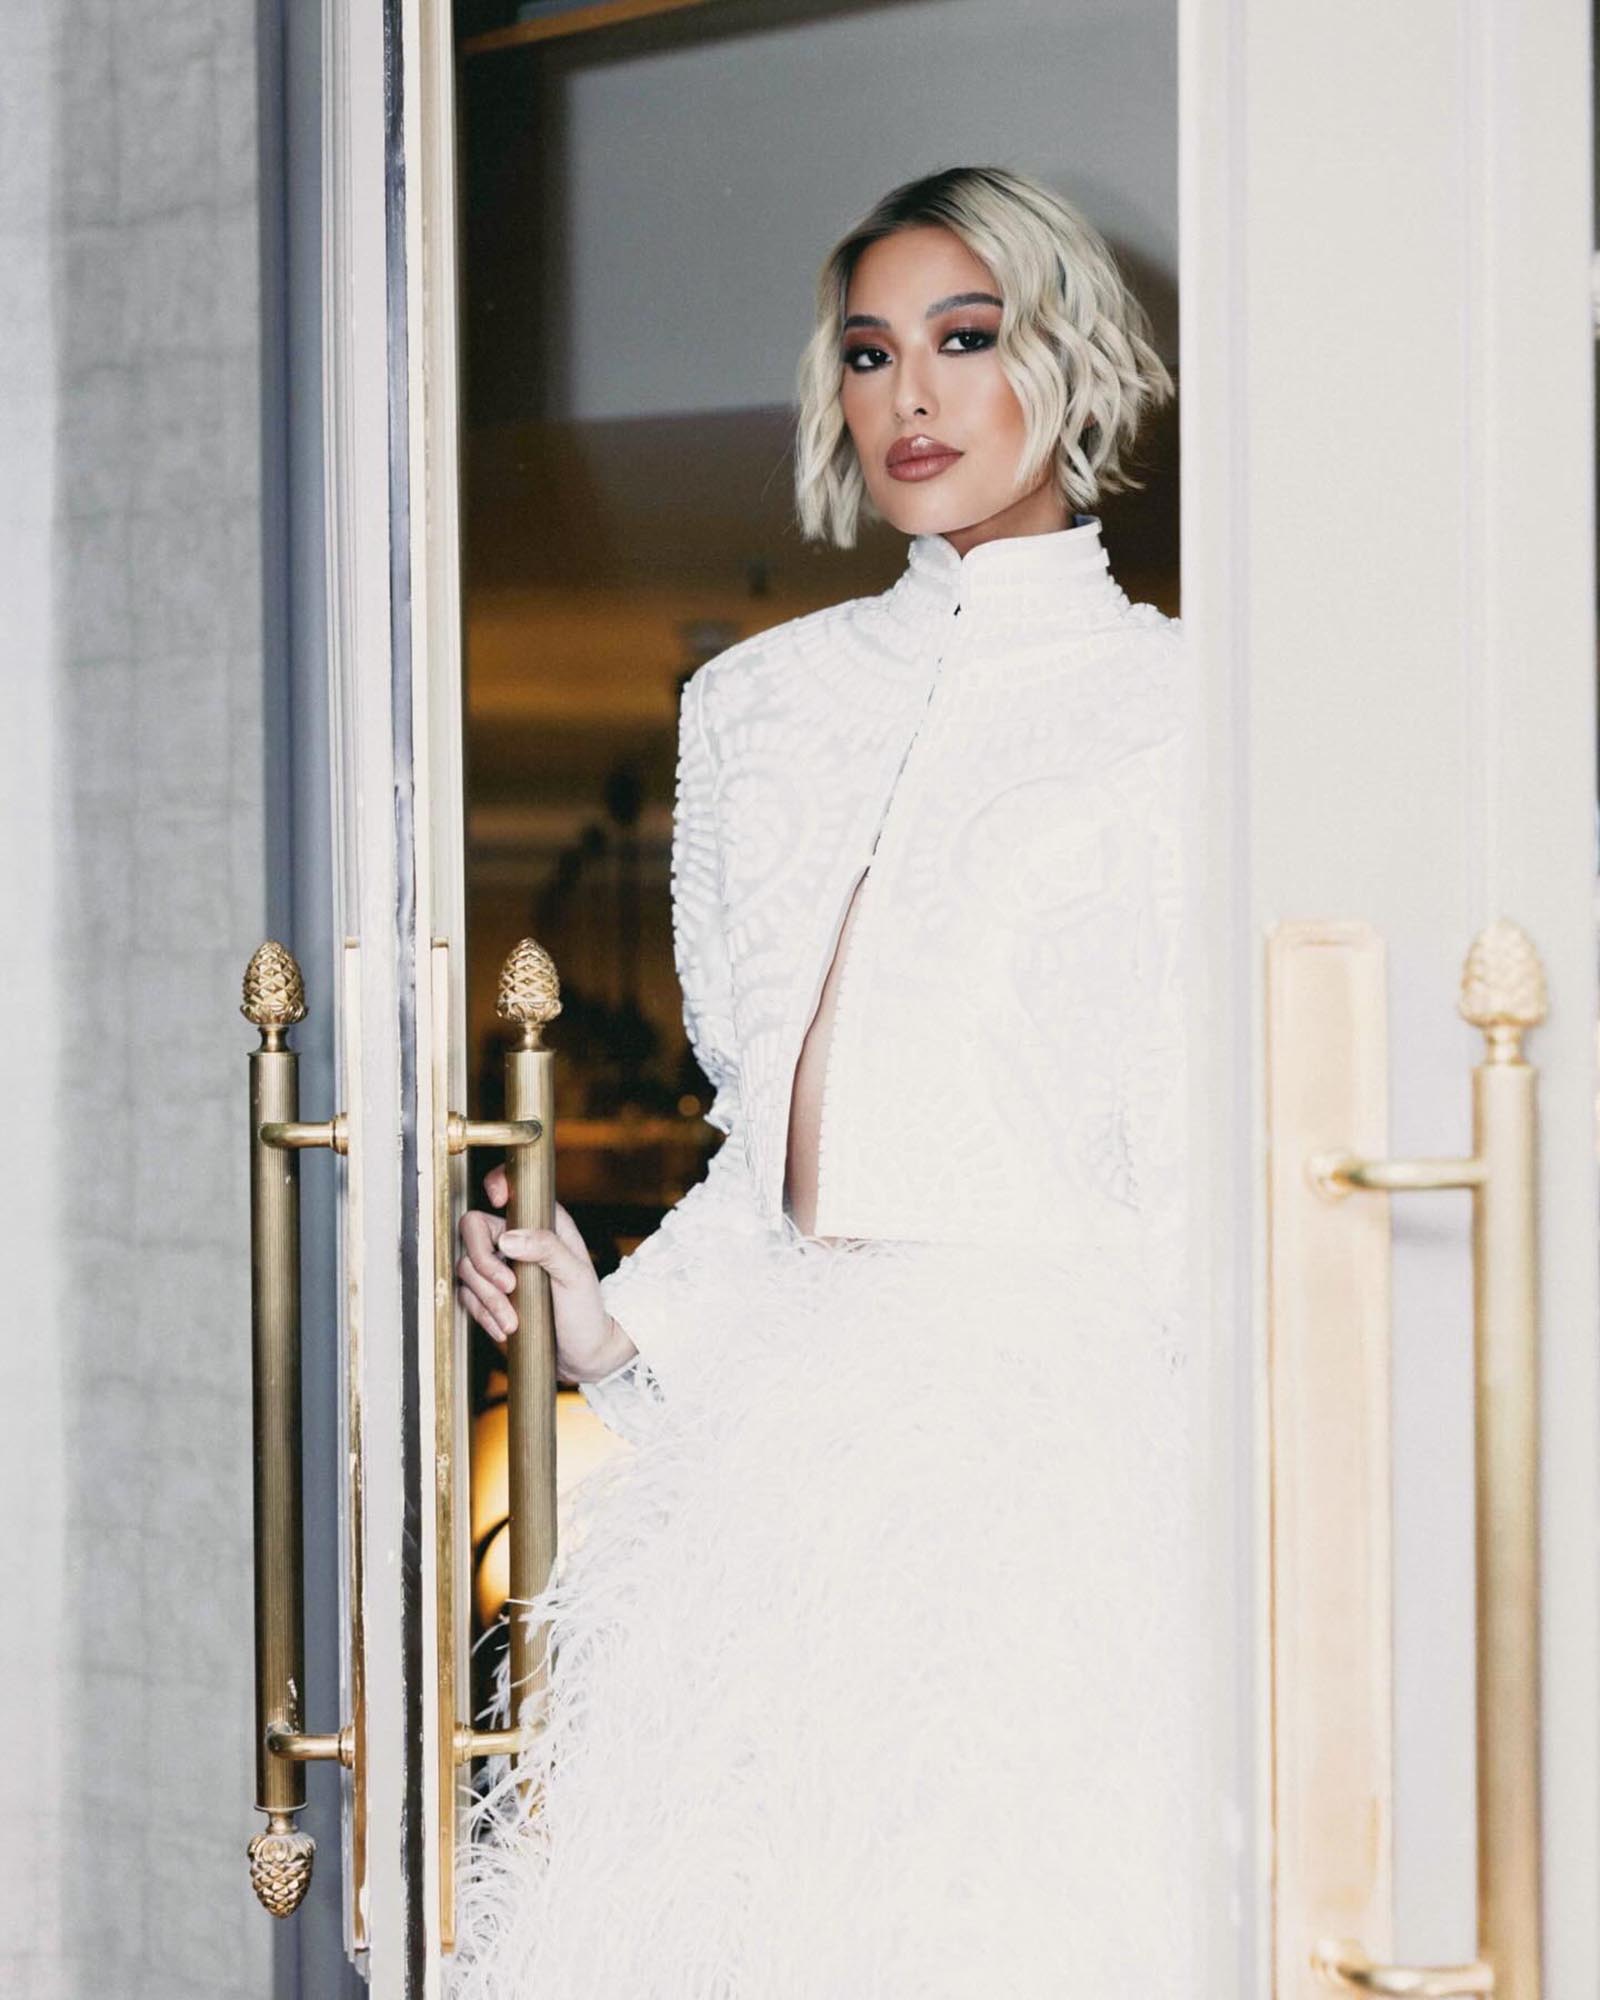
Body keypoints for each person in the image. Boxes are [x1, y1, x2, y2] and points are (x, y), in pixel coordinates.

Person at [447, 164, 1201, 1998]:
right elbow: (761, 1138)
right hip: (780, 1449)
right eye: (869, 354)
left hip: (1064, 1453)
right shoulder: (756, 706)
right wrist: (607, 1326)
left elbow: (1204, 1169)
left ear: (1071, 361)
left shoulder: (1193, 709)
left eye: (967, 338)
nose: (909, 397)